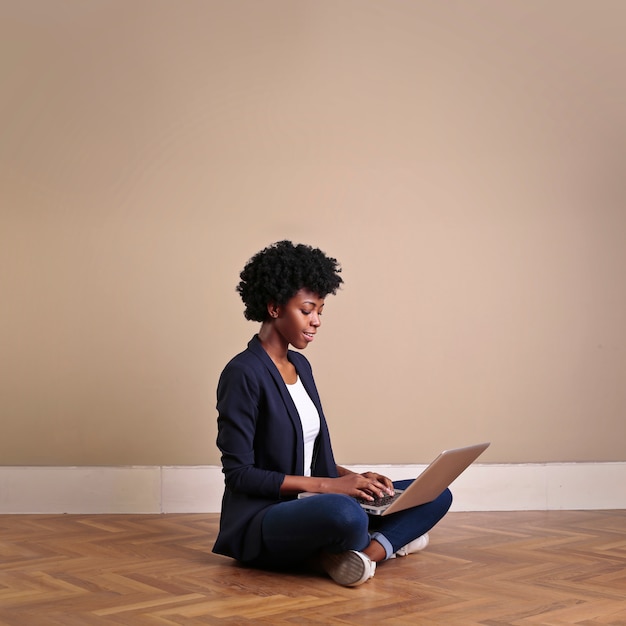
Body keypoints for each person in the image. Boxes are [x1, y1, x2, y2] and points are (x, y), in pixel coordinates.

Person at [213, 240, 452, 586]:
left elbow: (310, 457)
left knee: (434, 492)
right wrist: (333, 488)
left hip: (312, 501)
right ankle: (389, 543)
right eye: (307, 310)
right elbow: (240, 475)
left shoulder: (301, 366)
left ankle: (362, 557)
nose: (317, 321)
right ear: (275, 307)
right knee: (345, 512)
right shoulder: (242, 373)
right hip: (263, 516)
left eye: (320, 311)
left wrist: (358, 480)